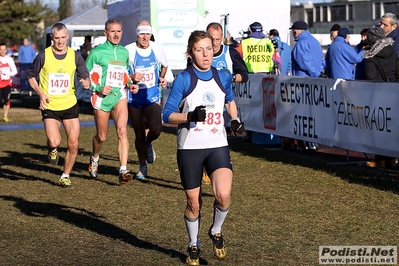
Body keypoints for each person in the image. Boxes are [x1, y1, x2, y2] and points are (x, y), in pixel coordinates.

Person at [162, 30, 246, 266]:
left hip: (217, 144)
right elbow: (167, 114)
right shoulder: (184, 79)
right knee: (194, 203)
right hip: (190, 147)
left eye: (209, 48)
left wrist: (235, 120)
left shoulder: (222, 76)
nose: (206, 54)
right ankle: (193, 244)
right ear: (191, 53)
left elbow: (229, 100)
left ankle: (216, 230)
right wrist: (189, 116)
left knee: (223, 194)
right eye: (200, 49)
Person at [26, 23, 91, 188]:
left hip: (69, 104)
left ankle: (65, 175)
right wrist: (41, 93)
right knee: (55, 141)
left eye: (63, 38)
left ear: (67, 37)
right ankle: (52, 149)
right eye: (57, 38)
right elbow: (31, 76)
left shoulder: (75, 56)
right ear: (52, 38)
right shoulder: (44, 55)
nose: (60, 41)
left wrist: (86, 81)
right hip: (50, 105)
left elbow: (85, 76)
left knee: (73, 143)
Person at [85, 19, 139, 185]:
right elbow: (84, 77)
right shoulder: (96, 52)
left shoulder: (124, 52)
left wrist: (130, 84)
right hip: (101, 98)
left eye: (119, 31)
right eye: (113, 31)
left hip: (119, 95)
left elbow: (124, 72)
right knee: (101, 136)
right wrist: (99, 87)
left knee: (122, 131)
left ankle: (123, 170)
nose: (116, 35)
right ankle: (94, 157)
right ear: (105, 33)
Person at [203, 22, 249, 184]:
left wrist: (231, 77)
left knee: (219, 138)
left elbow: (244, 74)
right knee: (204, 136)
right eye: (211, 39)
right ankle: (205, 166)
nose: (214, 43)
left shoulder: (230, 53)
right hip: (204, 103)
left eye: (217, 39)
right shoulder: (200, 53)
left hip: (224, 103)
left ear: (222, 38)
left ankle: (215, 169)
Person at [125, 20, 168, 180]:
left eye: (147, 33)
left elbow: (164, 65)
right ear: (137, 34)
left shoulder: (157, 48)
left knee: (156, 129)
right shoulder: (128, 50)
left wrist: (162, 77)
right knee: (138, 133)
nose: (145, 37)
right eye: (142, 33)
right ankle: (142, 167)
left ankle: (149, 142)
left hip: (152, 96)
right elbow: (120, 73)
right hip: (134, 98)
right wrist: (131, 77)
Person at [363, 27, 399, 168]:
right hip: (393, 93)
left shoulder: (370, 57)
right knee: (391, 127)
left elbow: (370, 78)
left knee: (378, 127)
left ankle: (379, 158)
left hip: (377, 95)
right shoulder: (393, 53)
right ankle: (391, 158)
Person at [290, 20, 324, 151]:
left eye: (294, 30)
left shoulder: (301, 44)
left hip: (304, 82)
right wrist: (318, 73)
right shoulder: (314, 41)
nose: (293, 33)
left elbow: (305, 63)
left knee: (303, 113)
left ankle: (308, 142)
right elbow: (321, 60)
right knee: (313, 112)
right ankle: (313, 141)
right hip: (314, 81)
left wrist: (314, 73)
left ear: (297, 31)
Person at [0, 42, 17, 122]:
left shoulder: (9, 59)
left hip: (7, 83)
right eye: (1, 50)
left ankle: (5, 116)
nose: (3, 51)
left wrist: (6, 73)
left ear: (6, 50)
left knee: (7, 100)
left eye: (4, 49)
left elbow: (15, 71)